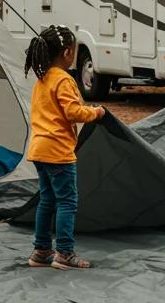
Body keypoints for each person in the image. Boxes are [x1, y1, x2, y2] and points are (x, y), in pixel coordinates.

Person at [24, 25, 106, 271]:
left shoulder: (43, 78)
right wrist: (96, 112)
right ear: (68, 52)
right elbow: (73, 112)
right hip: (58, 152)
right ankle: (65, 253)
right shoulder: (63, 79)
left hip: (39, 149)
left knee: (47, 200)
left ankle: (41, 251)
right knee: (67, 202)